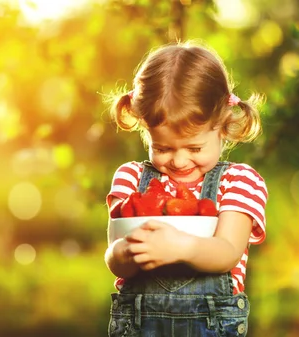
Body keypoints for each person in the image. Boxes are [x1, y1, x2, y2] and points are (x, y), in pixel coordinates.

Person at [104, 40, 268, 337]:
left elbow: (228, 251)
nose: (179, 161)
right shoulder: (130, 177)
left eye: (194, 147)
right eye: (163, 147)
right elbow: (114, 259)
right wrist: (128, 252)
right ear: (145, 130)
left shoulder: (239, 182)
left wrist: (180, 247)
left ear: (223, 126)